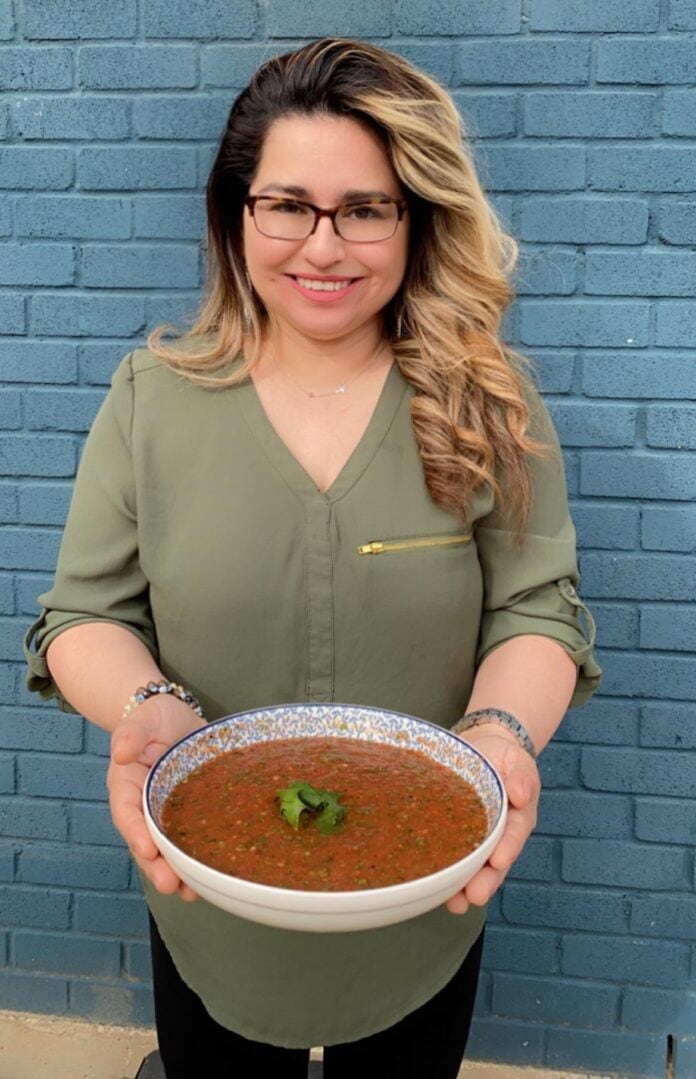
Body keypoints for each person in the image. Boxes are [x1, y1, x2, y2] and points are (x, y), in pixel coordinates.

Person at [24, 38, 600, 1079]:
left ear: (415, 219)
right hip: (208, 892)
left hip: (425, 893)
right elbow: (81, 614)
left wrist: (500, 734)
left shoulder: (486, 406)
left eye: (365, 208)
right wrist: (147, 700)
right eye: (286, 203)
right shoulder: (150, 401)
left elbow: (536, 609)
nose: (323, 246)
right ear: (236, 214)